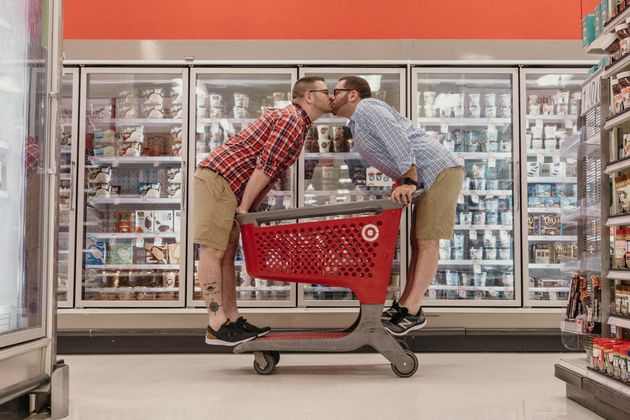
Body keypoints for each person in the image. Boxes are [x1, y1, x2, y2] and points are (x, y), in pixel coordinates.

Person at [194, 76, 332, 346]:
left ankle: (231, 319)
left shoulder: (300, 123)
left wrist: (251, 207)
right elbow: (266, 166)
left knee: (227, 255)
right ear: (309, 97)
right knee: (213, 251)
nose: (331, 96)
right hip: (220, 178)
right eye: (326, 91)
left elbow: (271, 172)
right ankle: (216, 323)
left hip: (231, 186)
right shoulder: (292, 119)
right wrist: (245, 207)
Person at [331, 76, 464, 336]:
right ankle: (404, 304)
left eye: (336, 91)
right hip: (427, 176)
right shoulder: (357, 122)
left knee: (428, 241)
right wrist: (400, 184)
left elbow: (399, 143)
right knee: (419, 242)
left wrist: (408, 179)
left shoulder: (367, 109)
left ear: (353, 95)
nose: (332, 98)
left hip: (438, 170)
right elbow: (390, 153)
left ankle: (413, 310)